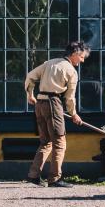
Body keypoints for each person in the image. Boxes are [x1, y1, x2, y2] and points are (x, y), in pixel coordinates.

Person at [25, 40, 90, 188]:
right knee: (60, 142)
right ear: (75, 53)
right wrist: (74, 114)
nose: (82, 60)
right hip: (53, 103)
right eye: (82, 57)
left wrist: (30, 94)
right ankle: (55, 179)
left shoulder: (49, 63)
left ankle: (33, 175)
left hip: (40, 103)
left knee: (46, 142)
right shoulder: (71, 71)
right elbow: (70, 98)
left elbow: (30, 76)